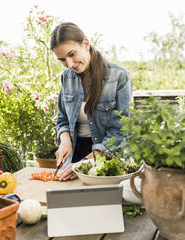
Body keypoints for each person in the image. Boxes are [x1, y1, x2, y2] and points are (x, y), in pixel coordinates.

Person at [51, 22, 132, 181]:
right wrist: (65, 140)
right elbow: (62, 119)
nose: (69, 64)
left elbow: (119, 132)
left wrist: (85, 163)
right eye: (62, 59)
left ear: (85, 44)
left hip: (107, 161)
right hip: (74, 159)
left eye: (72, 54)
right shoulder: (66, 77)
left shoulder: (119, 77)